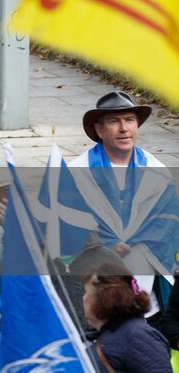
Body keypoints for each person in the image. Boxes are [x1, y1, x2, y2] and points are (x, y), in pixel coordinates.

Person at [68, 92, 176, 297]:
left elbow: (168, 220)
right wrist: (105, 247)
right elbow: (68, 223)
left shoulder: (156, 170)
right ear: (99, 130)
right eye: (113, 121)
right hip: (94, 280)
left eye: (129, 120)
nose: (124, 128)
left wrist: (138, 240)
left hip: (148, 276)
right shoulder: (76, 173)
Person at [81, 257, 172, 371]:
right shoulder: (105, 336)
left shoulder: (137, 336)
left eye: (87, 293)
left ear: (103, 299)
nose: (83, 299)